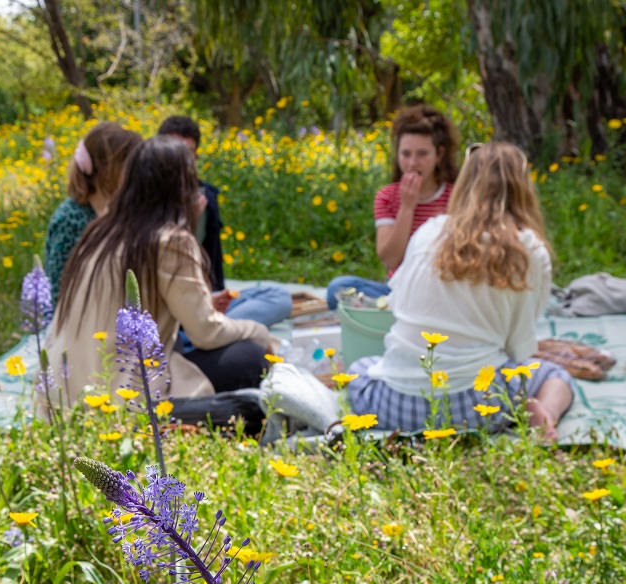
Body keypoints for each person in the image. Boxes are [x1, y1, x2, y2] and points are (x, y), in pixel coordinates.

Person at [347, 142, 574, 441]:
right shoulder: (530, 250)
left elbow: (397, 305)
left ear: (464, 185)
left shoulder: (429, 230)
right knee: (555, 375)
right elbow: (519, 347)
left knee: (361, 369)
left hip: (394, 407)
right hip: (478, 407)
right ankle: (545, 413)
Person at [45, 136, 272, 409]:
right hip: (123, 394)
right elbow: (206, 332)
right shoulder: (168, 240)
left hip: (62, 389)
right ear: (182, 186)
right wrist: (259, 331)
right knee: (251, 356)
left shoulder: (100, 229)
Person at [157, 116, 292, 328]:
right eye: (174, 152)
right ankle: (213, 329)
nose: (180, 161)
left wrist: (218, 298)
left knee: (278, 297)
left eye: (187, 152)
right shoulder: (146, 200)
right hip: (170, 309)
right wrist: (188, 225)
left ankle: (217, 326)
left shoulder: (205, 197)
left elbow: (212, 266)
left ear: (196, 156)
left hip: (205, 299)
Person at [326, 104, 460, 309]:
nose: (412, 163)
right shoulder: (387, 197)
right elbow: (391, 260)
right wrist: (407, 208)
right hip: (399, 291)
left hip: (443, 292)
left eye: (422, 154)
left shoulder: (456, 196)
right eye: (406, 154)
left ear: (439, 155)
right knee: (339, 288)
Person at [44, 122, 142, 307]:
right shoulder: (71, 219)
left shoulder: (120, 212)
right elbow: (59, 294)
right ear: (107, 169)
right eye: (129, 164)